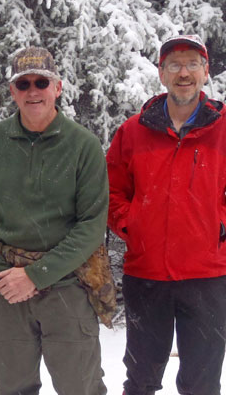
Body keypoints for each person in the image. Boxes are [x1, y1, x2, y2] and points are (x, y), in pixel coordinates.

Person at [0, 46, 109, 395]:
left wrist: (36, 275)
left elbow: (91, 224)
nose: (33, 91)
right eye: (24, 83)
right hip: (5, 289)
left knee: (81, 387)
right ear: (12, 91)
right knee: (12, 386)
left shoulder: (83, 146)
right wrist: (5, 278)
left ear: (57, 87)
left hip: (67, 287)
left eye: (41, 82)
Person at [106, 34, 226, 395]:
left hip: (208, 276)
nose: (183, 72)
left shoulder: (223, 128)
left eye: (192, 63)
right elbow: (111, 192)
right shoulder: (133, 131)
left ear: (206, 72)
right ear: (161, 73)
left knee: (202, 383)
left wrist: (218, 226)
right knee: (141, 380)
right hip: (147, 275)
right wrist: (133, 226)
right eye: (174, 64)